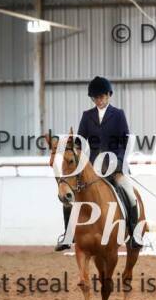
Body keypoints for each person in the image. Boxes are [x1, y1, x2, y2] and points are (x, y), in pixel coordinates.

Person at [55, 76, 142, 251]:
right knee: (70, 193)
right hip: (93, 168)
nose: (99, 101)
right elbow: (80, 142)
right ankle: (67, 235)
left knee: (129, 193)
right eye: (95, 98)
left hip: (115, 167)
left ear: (108, 95)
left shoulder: (118, 115)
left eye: (101, 97)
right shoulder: (87, 116)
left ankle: (134, 234)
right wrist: (73, 149)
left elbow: (125, 142)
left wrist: (119, 161)